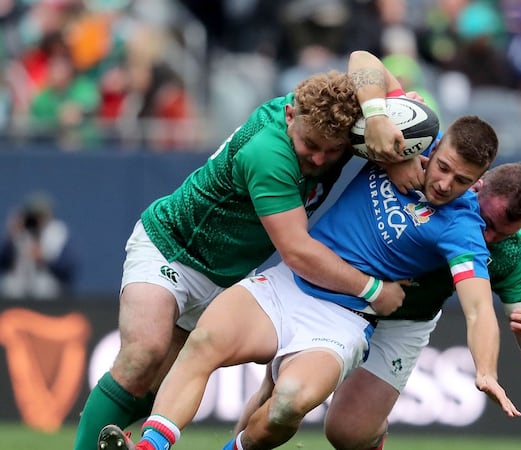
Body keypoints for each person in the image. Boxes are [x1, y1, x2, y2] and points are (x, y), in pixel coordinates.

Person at [96, 114, 521, 450]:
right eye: (443, 167)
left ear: (478, 181)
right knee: (204, 342)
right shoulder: (399, 138)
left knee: (286, 405)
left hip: (343, 321)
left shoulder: (462, 227)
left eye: (462, 180)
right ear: (435, 144)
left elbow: (479, 307)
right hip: (288, 284)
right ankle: (151, 447)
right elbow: (362, 63)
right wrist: (379, 121)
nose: (446, 183)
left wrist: (485, 371)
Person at [73, 51, 413, 450]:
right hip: (172, 248)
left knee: (160, 383)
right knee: (142, 355)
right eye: (310, 146)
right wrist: (372, 290)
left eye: (332, 151)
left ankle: (117, 433)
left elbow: (362, 59)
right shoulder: (268, 152)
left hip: (224, 277)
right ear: (289, 116)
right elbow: (299, 253)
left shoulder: (329, 122)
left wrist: (383, 122)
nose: (319, 159)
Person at [235, 162, 521, 450]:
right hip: (345, 294)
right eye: (486, 222)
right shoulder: (434, 178)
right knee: (277, 391)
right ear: (477, 184)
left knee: (347, 433)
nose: (488, 238)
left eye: (503, 234)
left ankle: (375, 432)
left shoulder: (512, 254)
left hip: (404, 320)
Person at [0, 191, 77, 299]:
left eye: (41, 215)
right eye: (34, 215)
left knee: (43, 287)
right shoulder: (20, 231)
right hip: (19, 280)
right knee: (8, 286)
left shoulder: (57, 232)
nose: (38, 219)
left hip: (46, 280)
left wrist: (44, 258)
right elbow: (3, 262)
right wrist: (11, 238)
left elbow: (68, 268)